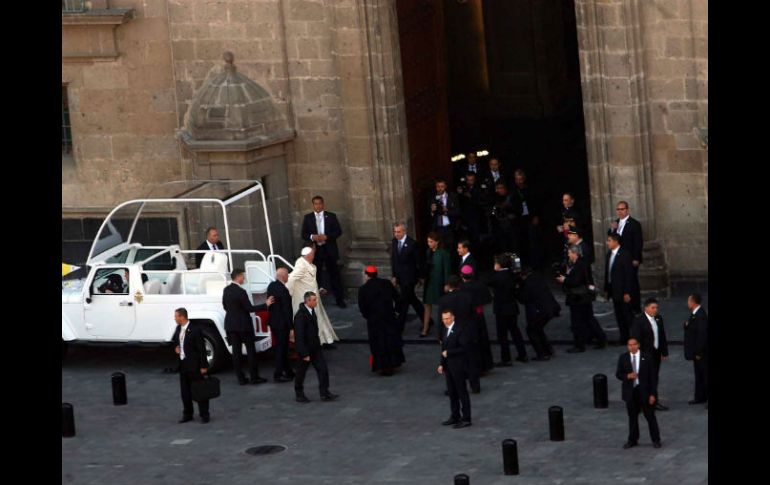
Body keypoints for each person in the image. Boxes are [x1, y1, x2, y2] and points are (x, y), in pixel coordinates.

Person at [222, 269, 275, 385]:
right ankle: (254, 377)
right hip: (243, 325)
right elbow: (250, 308)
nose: (244, 278)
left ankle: (241, 379)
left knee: (236, 353)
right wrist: (265, 305)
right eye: (243, 276)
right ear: (238, 276)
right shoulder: (241, 291)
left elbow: (225, 306)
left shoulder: (226, 290)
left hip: (230, 325)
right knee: (251, 351)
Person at [287, 245, 340, 348]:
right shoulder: (301, 266)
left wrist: (318, 289)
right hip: (308, 300)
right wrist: (287, 293)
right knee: (313, 322)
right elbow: (291, 278)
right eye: (312, 254)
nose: (314, 256)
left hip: (314, 299)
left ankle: (324, 341)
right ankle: (317, 343)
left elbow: (310, 281)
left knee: (319, 319)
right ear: (307, 255)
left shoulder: (308, 264)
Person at [358, 265, 405, 376]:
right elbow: (397, 298)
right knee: (390, 342)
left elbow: (362, 307)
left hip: (374, 321)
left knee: (378, 344)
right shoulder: (386, 283)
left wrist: (368, 316)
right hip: (389, 317)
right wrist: (396, 311)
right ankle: (392, 364)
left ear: (366, 275)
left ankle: (381, 367)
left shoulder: (363, 289)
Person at [615, 337, 662, 449]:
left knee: (650, 416)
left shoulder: (647, 357)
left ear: (638, 345)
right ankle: (633, 439)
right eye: (629, 345)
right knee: (632, 417)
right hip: (631, 392)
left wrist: (652, 394)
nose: (632, 347)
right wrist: (627, 376)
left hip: (644, 392)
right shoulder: (623, 358)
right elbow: (618, 374)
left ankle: (656, 440)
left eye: (634, 344)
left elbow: (653, 378)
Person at [301, 195, 347, 308]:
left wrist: (327, 237)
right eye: (315, 203)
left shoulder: (331, 216)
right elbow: (304, 234)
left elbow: (338, 231)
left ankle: (339, 299)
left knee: (334, 274)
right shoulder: (308, 218)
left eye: (320, 203)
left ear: (323, 204)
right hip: (316, 251)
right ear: (313, 205)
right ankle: (315, 302)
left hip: (329, 249)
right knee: (315, 276)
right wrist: (313, 237)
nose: (318, 205)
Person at [293, 291, 339, 403]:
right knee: (301, 372)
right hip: (306, 350)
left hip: (315, 348)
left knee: (323, 369)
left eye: (316, 299)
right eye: (314, 300)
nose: (316, 302)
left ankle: (324, 392)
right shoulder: (300, 316)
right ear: (307, 301)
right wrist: (304, 353)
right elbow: (299, 336)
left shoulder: (311, 311)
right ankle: (299, 394)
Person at [484, 253, 528, 365]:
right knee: (515, 332)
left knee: (502, 335)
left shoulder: (497, 277)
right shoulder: (512, 274)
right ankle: (523, 354)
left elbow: (486, 281)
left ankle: (506, 358)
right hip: (512, 307)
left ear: (499, 264)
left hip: (501, 309)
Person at [565, 227, 606, 348]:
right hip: (583, 293)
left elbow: (580, 277)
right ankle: (597, 337)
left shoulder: (581, 259)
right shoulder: (578, 261)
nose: (569, 237)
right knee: (587, 317)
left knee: (579, 319)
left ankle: (582, 343)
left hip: (580, 294)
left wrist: (566, 279)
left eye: (571, 235)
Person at [459, 265, 494, 393]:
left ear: (462, 276)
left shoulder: (461, 288)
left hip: (466, 318)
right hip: (478, 316)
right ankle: (484, 365)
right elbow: (488, 299)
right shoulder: (480, 285)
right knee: (482, 341)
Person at [172, 308, 210, 424]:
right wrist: (176, 348)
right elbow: (176, 341)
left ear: (182, 317)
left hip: (195, 365)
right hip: (183, 364)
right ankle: (188, 413)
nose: (174, 318)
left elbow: (201, 349)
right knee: (185, 391)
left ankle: (204, 414)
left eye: (176, 316)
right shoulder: (178, 328)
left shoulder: (195, 330)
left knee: (200, 391)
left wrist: (203, 366)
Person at [631, 298, 669, 411]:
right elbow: (636, 339)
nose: (655, 310)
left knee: (654, 377)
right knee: (644, 378)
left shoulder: (658, 318)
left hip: (656, 353)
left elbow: (662, 335)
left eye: (656, 307)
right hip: (645, 354)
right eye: (653, 307)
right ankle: (642, 403)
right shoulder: (639, 321)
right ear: (646, 308)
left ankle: (654, 401)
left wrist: (664, 351)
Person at [437, 309, 472, 428]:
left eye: (447, 318)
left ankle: (466, 418)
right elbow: (443, 349)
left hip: (459, 366)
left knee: (462, 392)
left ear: (453, 318)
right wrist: (441, 364)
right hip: (449, 367)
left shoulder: (460, 330)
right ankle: (455, 415)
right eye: (443, 319)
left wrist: (449, 353)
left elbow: (464, 348)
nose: (445, 321)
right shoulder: (444, 329)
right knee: (452, 392)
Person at [516, 267, 561, 361]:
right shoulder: (537, 279)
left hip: (540, 310)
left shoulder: (528, 283)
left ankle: (542, 353)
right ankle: (547, 350)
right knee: (538, 328)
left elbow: (523, 299)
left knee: (532, 330)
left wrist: (518, 290)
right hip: (550, 308)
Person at [557, 245, 594, 353]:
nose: (568, 255)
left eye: (569, 253)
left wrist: (564, 280)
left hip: (578, 297)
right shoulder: (576, 264)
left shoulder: (579, 264)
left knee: (577, 322)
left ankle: (579, 345)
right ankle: (598, 338)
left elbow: (576, 281)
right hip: (578, 297)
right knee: (586, 318)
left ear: (574, 253)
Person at [390, 222, 425, 334]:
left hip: (410, 278)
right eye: (395, 232)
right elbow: (394, 260)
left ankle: (399, 326)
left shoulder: (412, 244)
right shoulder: (394, 242)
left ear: (404, 231)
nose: (396, 234)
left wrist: (420, 277)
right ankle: (427, 319)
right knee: (412, 299)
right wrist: (394, 276)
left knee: (404, 301)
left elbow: (418, 262)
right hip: (400, 277)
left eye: (399, 232)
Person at [608, 201, 643, 313]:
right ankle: (624, 305)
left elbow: (638, 243)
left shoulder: (634, 224)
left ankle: (635, 306)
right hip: (619, 258)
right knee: (621, 281)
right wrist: (613, 229)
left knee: (632, 282)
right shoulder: (616, 223)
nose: (620, 211)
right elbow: (611, 237)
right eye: (618, 209)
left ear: (627, 210)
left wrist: (636, 258)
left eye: (622, 209)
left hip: (630, 258)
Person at [604, 233, 638, 346]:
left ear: (615, 241)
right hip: (614, 291)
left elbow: (629, 275)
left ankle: (635, 338)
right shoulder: (609, 254)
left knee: (628, 316)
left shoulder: (625, 254)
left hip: (623, 291)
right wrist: (607, 289)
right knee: (619, 316)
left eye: (609, 240)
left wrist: (627, 292)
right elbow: (608, 273)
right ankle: (624, 338)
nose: (607, 243)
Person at [266, 268, 295, 382]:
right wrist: (291, 327)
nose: (288, 277)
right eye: (287, 275)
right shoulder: (283, 290)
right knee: (281, 349)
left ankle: (288, 372)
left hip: (274, 322)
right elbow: (287, 310)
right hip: (282, 324)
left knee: (282, 348)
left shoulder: (271, 286)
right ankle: (277, 374)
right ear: (283, 276)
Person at [511, 169, 542, 269]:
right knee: (517, 245)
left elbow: (536, 203)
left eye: (521, 179)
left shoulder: (530, 189)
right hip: (518, 220)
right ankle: (517, 267)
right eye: (517, 179)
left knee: (533, 242)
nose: (519, 181)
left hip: (530, 218)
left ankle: (535, 265)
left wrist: (536, 216)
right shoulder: (513, 191)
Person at [422, 231, 451, 337]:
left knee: (441, 307)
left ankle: (442, 330)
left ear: (437, 242)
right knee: (427, 304)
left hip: (439, 282)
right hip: (430, 282)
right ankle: (425, 328)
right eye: (428, 241)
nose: (429, 243)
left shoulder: (444, 253)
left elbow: (447, 269)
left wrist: (447, 283)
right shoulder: (428, 252)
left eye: (431, 241)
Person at [684, 293, 708, 405]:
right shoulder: (695, 314)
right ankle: (700, 396)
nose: (687, 303)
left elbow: (702, 335)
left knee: (705, 375)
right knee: (699, 375)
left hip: (701, 353)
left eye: (689, 301)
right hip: (697, 352)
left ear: (693, 302)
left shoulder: (700, 315)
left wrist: (699, 352)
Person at [429, 178, 460, 251]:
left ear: (445, 186)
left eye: (442, 186)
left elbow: (457, 212)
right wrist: (432, 211)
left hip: (449, 228)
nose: (440, 189)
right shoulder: (432, 198)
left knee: (450, 249)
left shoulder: (452, 197)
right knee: (439, 249)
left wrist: (447, 211)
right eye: (438, 186)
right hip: (438, 228)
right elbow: (429, 215)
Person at [490, 181, 518, 255]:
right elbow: (494, 213)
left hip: (512, 227)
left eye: (500, 188)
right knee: (504, 249)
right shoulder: (495, 198)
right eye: (497, 188)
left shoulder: (512, 197)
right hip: (501, 228)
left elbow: (517, 211)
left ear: (505, 188)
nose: (498, 190)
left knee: (514, 249)